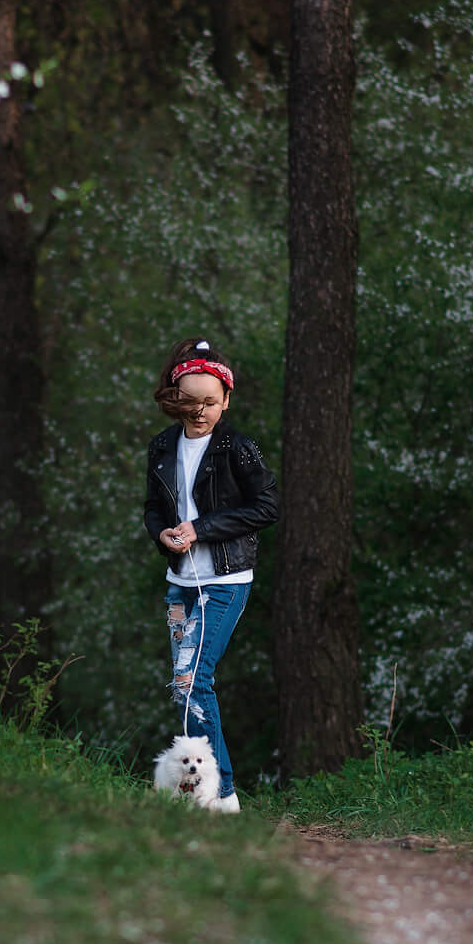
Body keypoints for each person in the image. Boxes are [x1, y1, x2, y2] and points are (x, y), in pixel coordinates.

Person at [142, 337, 279, 813]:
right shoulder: (162, 446)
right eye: (191, 401)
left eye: (211, 402)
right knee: (185, 684)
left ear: (226, 400)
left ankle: (220, 795)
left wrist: (199, 529)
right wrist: (162, 532)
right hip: (180, 581)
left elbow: (267, 506)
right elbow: (154, 508)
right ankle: (206, 795)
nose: (200, 411)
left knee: (193, 676)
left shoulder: (238, 448)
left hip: (224, 581)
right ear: (175, 399)